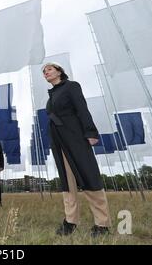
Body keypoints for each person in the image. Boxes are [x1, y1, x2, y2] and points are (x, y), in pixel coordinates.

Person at [42, 62, 111, 237]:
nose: (46, 72)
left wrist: (91, 132)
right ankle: (70, 221)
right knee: (67, 180)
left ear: (59, 71)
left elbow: (82, 109)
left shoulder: (71, 87)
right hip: (59, 142)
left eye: (49, 69)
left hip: (75, 138)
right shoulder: (51, 97)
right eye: (44, 71)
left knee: (88, 175)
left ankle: (102, 224)